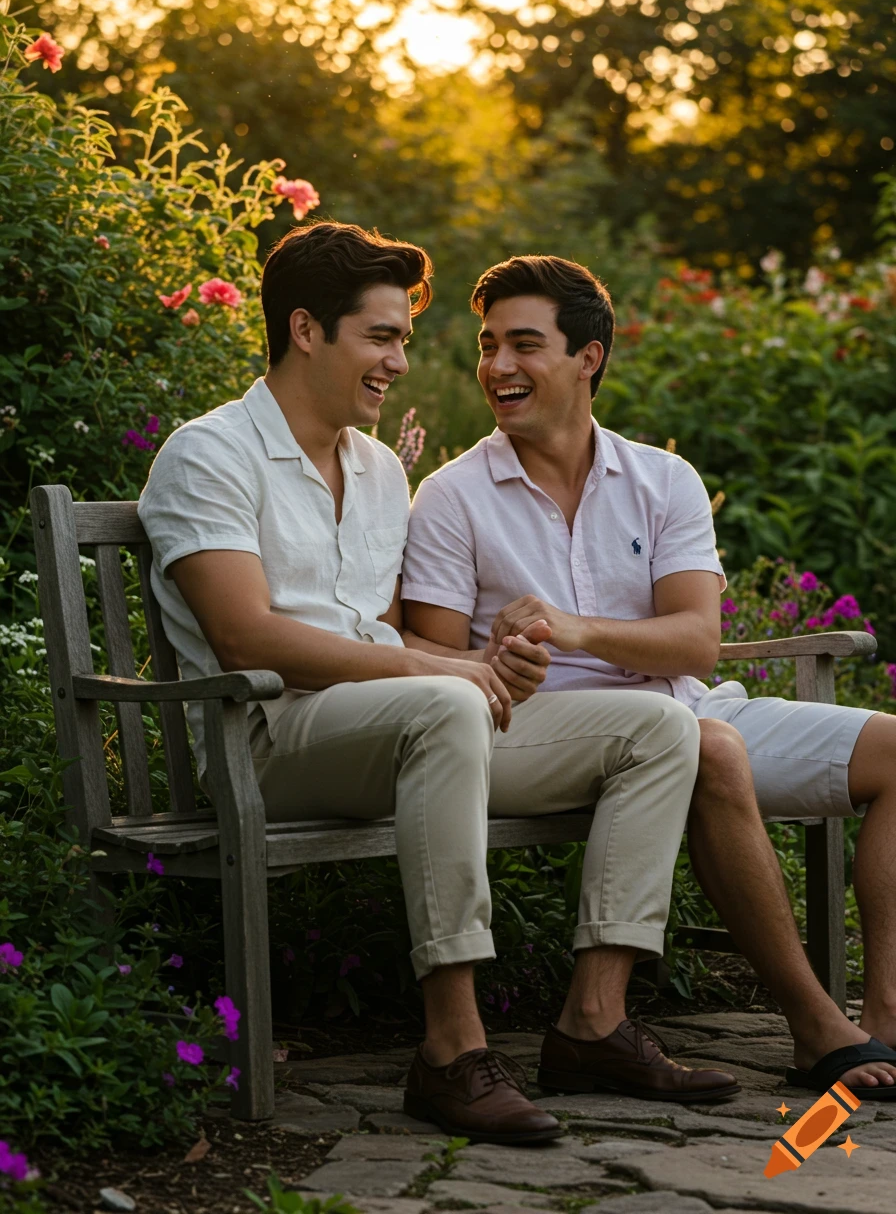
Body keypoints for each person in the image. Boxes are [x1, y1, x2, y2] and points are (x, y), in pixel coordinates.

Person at [138, 222, 730, 1146]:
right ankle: (453, 1051)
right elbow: (248, 633)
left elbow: (382, 634)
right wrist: (442, 671)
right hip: (263, 741)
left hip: (396, 727)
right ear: (305, 330)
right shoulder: (210, 454)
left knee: (659, 730)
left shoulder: (378, 468)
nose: (401, 363)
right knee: (447, 701)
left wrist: (485, 665)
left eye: (403, 340)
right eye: (382, 336)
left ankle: (595, 1025)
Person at [402, 253, 896, 1099]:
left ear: (587, 357)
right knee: (706, 748)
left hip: (689, 702)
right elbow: (434, 654)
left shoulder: (662, 479)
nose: (497, 368)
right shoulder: (452, 496)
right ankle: (815, 1025)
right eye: (488, 347)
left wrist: (571, 624)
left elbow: (697, 643)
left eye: (524, 345)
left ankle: (885, 1018)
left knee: (888, 748)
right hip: (554, 735)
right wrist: (501, 664)